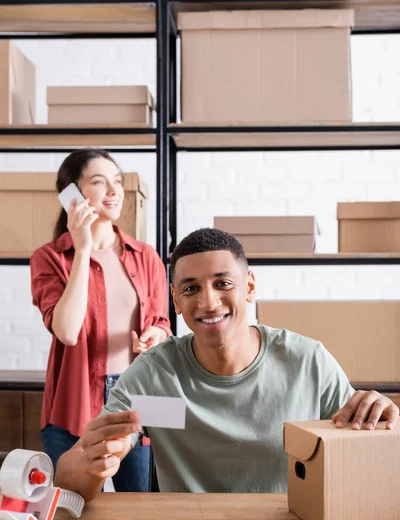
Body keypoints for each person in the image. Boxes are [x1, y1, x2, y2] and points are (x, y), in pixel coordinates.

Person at [54, 228, 399, 501]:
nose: (208, 302)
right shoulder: (156, 374)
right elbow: (71, 483)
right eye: (190, 289)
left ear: (249, 286)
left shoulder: (306, 363)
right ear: (175, 300)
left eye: (223, 284)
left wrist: (380, 416)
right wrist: (91, 461)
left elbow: (366, 458)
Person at [30, 148, 171, 492]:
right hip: (73, 400)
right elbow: (66, 330)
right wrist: (82, 249)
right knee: (71, 509)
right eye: (99, 181)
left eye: (118, 182)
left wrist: (156, 334)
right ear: (72, 195)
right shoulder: (49, 258)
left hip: (140, 398)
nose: (114, 190)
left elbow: (164, 324)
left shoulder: (146, 256)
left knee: (138, 511)